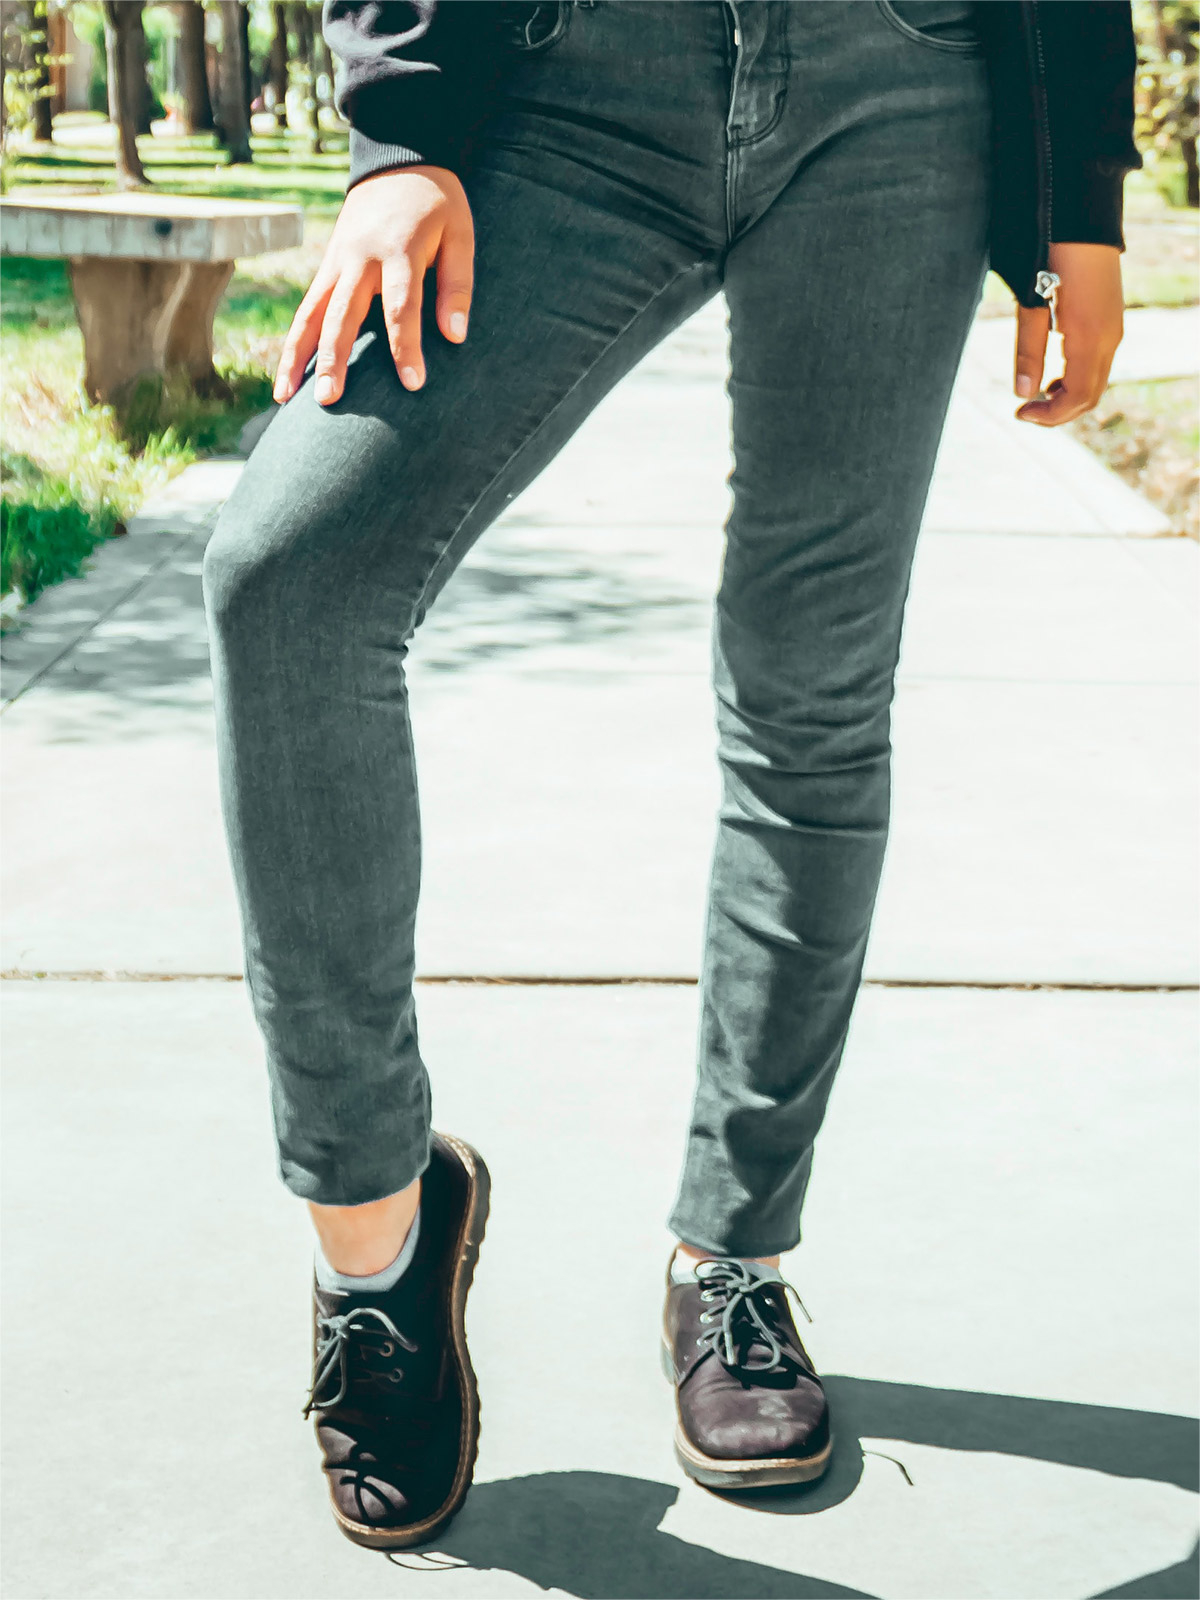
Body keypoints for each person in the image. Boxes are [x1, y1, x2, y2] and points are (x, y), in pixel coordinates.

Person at [201, 0, 1141, 1552]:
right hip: (571, 74)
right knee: (290, 579)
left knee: (811, 691)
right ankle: (375, 1249)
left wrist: (1077, 197)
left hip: (902, 80)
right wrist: (401, 135)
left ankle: (734, 1259)